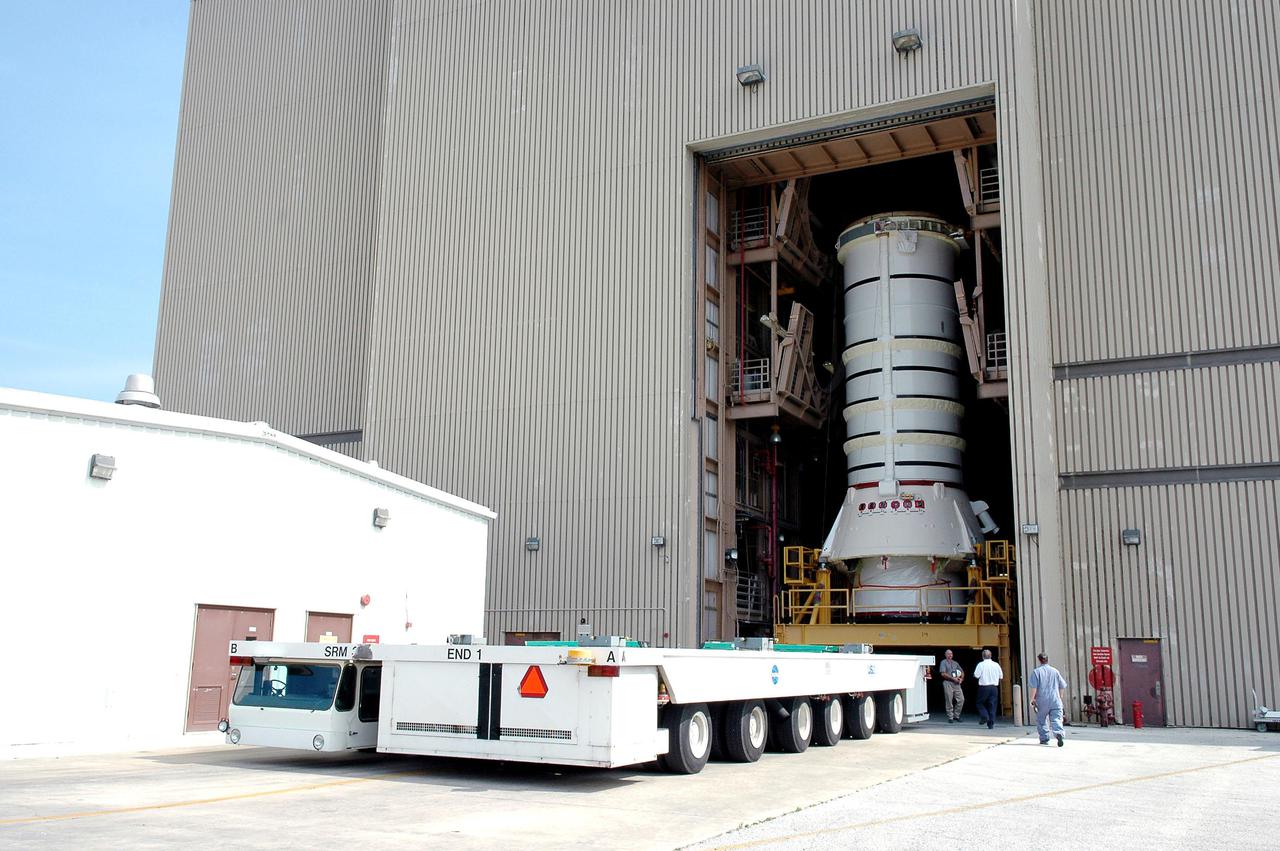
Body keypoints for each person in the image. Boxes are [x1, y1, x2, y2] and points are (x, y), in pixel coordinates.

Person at [1027, 652, 1068, 746]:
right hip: (1055, 699)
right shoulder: (1055, 671)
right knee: (1057, 718)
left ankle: (1044, 738)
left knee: (1041, 720)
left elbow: (1034, 687)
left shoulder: (1036, 672)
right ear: (1047, 660)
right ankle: (1058, 733)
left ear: (1039, 660)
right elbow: (1062, 685)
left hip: (1042, 700)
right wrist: (1060, 696)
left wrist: (1032, 699)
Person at [973, 649, 1003, 729]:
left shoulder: (981, 664)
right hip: (994, 687)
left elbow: (976, 675)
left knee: (979, 703)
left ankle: (985, 716)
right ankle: (991, 724)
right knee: (992, 705)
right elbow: (1001, 676)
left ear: (983, 656)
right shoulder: (996, 664)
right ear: (991, 656)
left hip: (984, 687)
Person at [939, 649, 964, 723]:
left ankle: (956, 715)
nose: (950, 655)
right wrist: (953, 679)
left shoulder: (955, 663)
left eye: (951, 654)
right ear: (945, 655)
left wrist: (961, 679)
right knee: (949, 700)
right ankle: (950, 717)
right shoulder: (943, 662)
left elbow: (962, 672)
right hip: (948, 683)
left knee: (961, 699)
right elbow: (943, 673)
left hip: (957, 683)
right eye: (948, 654)